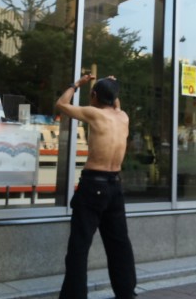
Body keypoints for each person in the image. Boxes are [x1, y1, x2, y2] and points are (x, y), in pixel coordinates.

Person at [56, 74, 137, 299]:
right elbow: (114, 102)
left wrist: (76, 84)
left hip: (93, 185)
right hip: (115, 186)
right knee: (119, 244)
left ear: (93, 96)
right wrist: (111, 85)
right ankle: (126, 293)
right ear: (114, 98)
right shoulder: (123, 117)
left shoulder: (94, 114)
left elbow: (61, 104)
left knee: (79, 246)